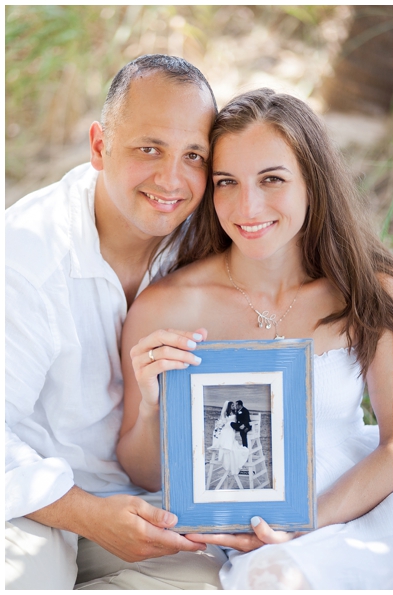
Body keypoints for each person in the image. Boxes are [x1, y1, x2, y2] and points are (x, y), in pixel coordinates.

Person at [116, 88, 393, 589]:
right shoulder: (166, 305)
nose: (248, 206)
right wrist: (155, 407)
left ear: (313, 181)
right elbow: (147, 477)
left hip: (359, 505)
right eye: (227, 182)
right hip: (249, 544)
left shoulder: (369, 288)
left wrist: (302, 523)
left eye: (272, 179)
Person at [4, 55, 227, 589]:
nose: (171, 179)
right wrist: (86, 515)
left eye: (193, 155)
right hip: (32, 501)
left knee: (221, 580)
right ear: (100, 146)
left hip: (151, 500)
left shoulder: (213, 237)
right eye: (149, 149)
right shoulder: (26, 255)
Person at [210, 401, 250, 481]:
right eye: (232, 405)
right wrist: (220, 425)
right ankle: (226, 445)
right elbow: (223, 421)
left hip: (232, 427)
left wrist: (243, 425)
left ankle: (227, 445)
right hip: (227, 427)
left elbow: (240, 420)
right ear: (228, 406)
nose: (233, 406)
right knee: (226, 432)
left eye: (234, 405)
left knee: (230, 432)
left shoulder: (236, 412)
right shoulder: (226, 413)